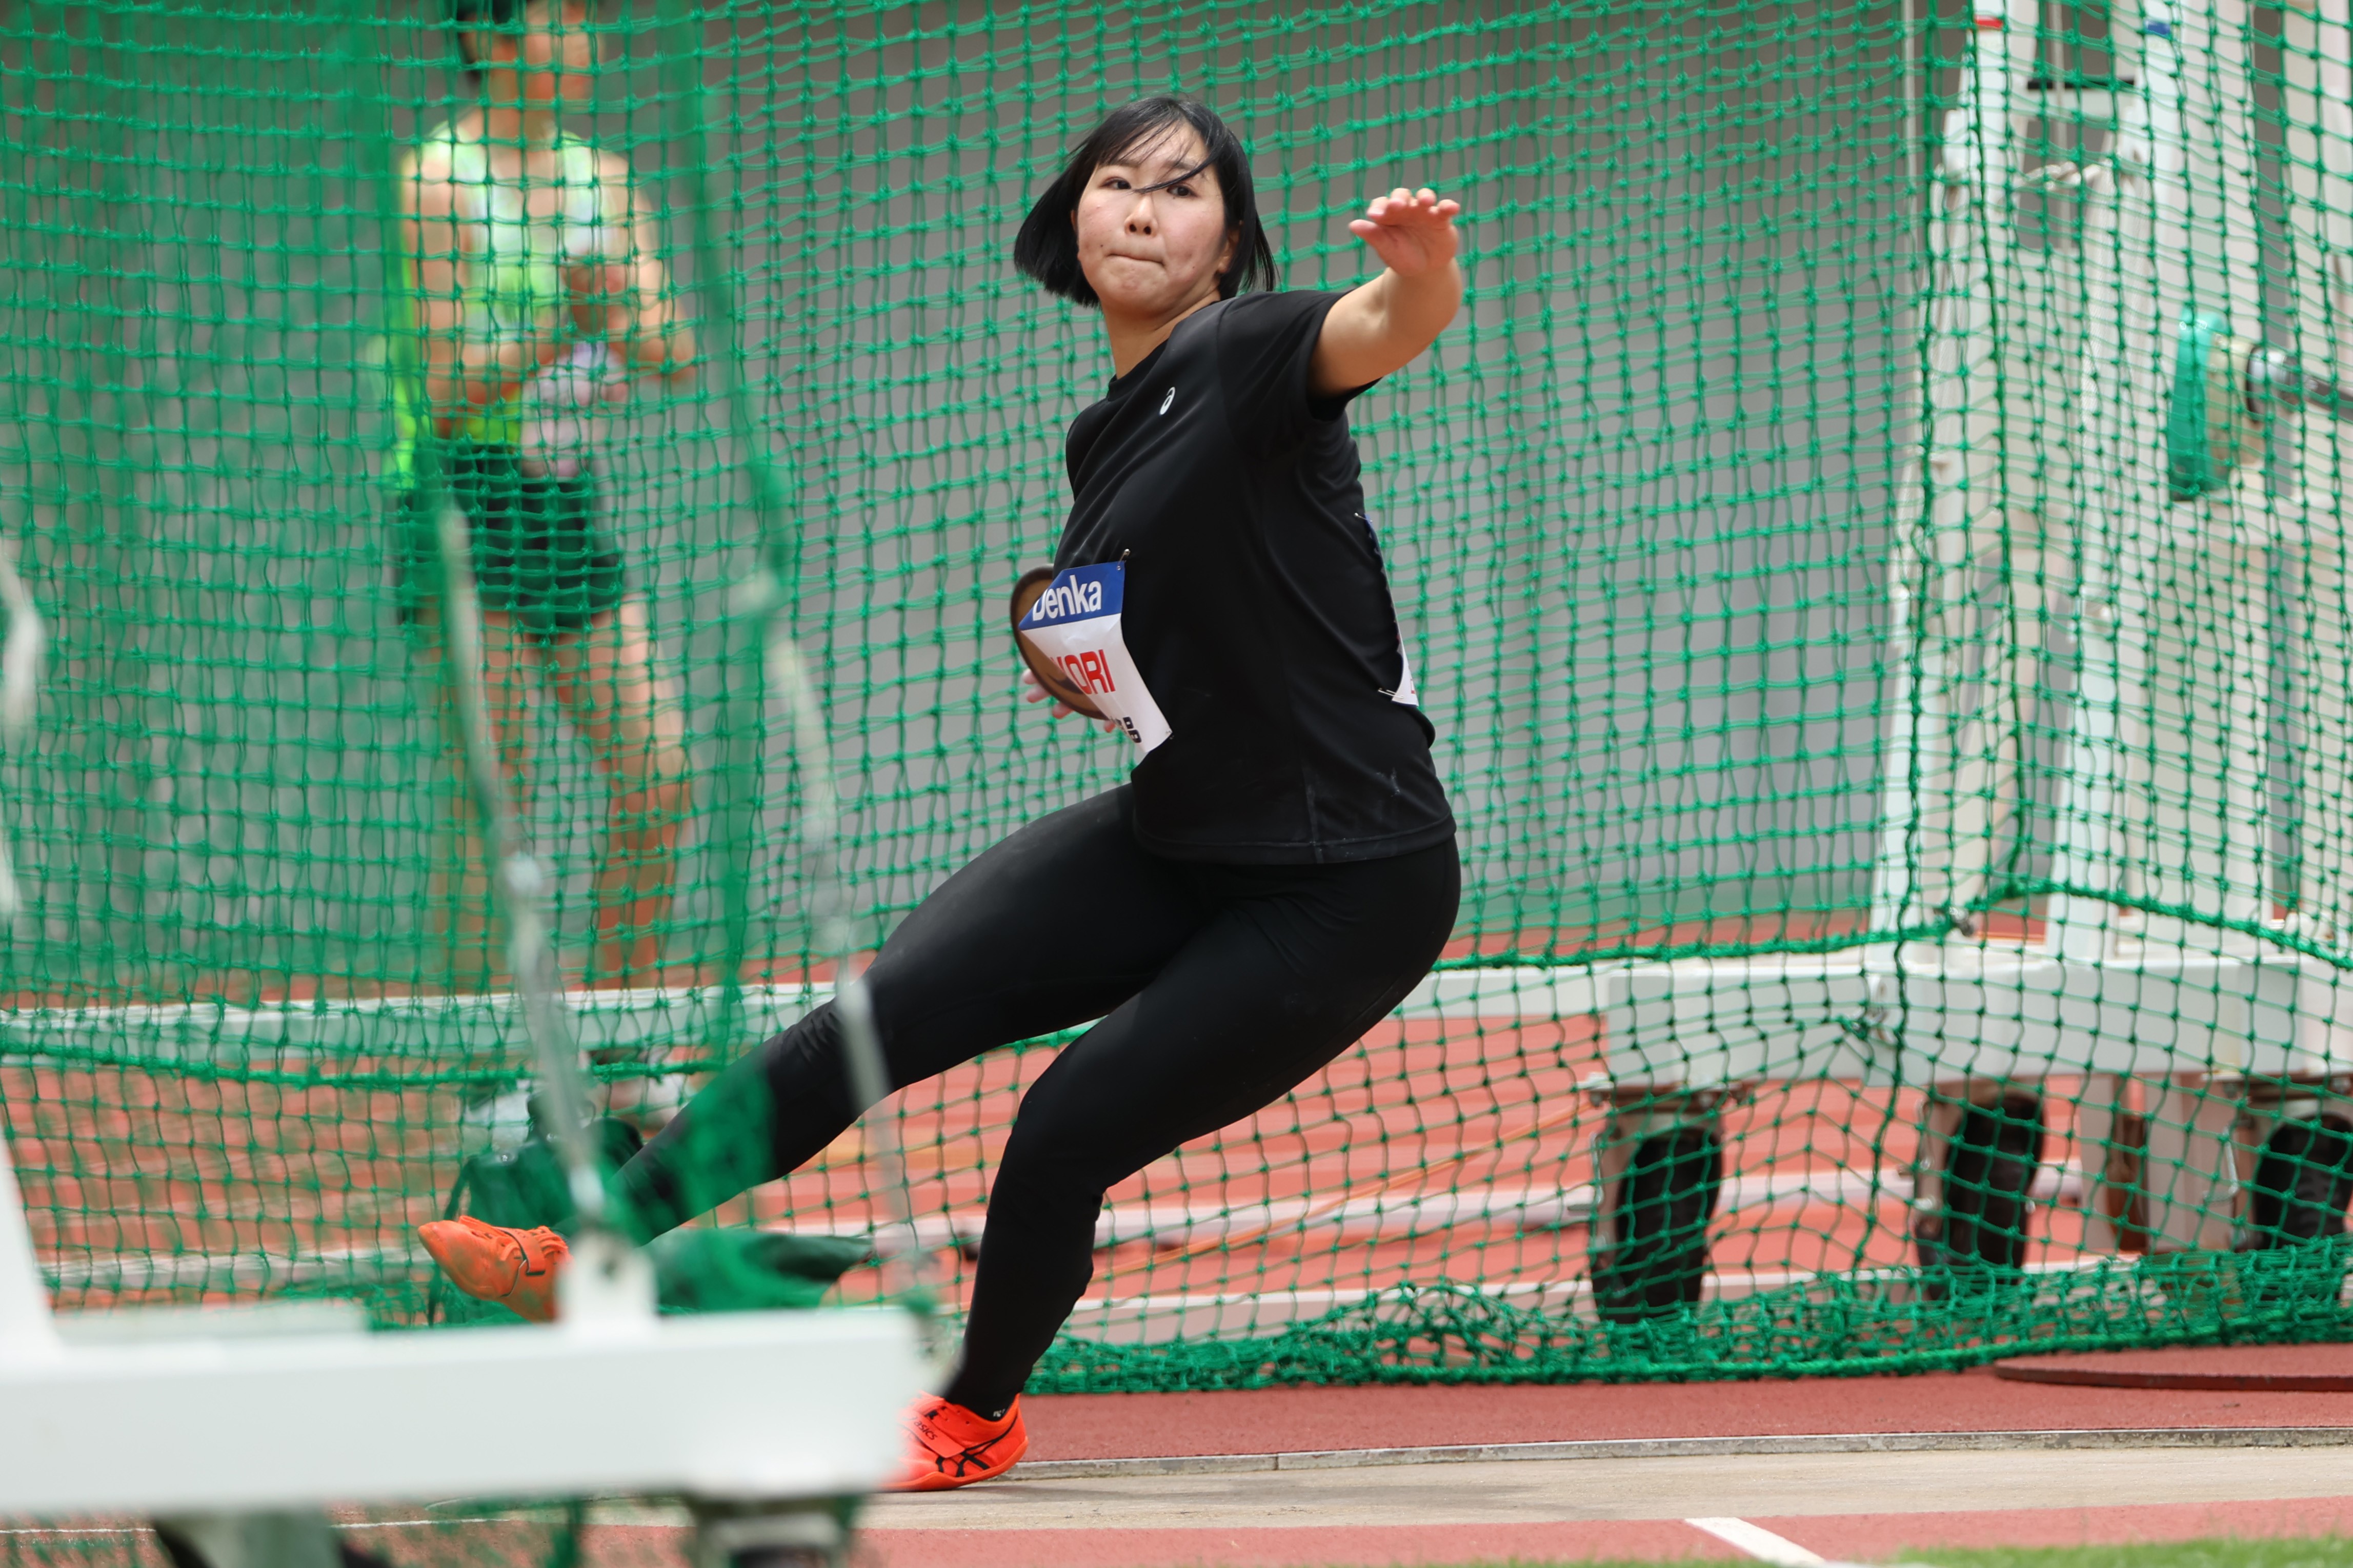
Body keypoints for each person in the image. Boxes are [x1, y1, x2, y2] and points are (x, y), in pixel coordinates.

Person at [418, 95, 1464, 1493]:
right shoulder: (1104, 440)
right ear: (1072, 220)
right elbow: (1138, 653)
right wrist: (1078, 652)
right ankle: (578, 1250)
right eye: (1115, 183)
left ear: (1227, 252)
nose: (1143, 207)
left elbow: (1376, 335)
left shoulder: (1246, 345)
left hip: (1347, 879)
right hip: (1181, 829)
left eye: (1181, 190)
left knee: (1059, 1127)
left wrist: (1416, 273)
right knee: (873, 1016)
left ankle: (974, 1409)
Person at [394, 0, 695, 996]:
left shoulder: (603, 181)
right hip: (461, 501)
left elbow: (677, 353)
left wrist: (622, 313)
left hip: (564, 498)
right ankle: (488, 1080)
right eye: (559, 19)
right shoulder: (440, 183)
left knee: (660, 778)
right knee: (500, 794)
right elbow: (439, 390)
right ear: (489, 40)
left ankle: (621, 1030)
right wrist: (561, 324)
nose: (587, 41)